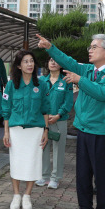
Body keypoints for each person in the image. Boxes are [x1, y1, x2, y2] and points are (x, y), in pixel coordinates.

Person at [37, 33, 105, 209]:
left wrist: (80, 81)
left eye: (94, 46)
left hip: (103, 133)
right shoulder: (87, 69)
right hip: (83, 131)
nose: (90, 49)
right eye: (90, 46)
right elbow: (67, 61)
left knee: (102, 179)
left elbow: (103, 93)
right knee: (83, 177)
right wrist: (51, 47)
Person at [2, 50, 50, 209]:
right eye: (25, 62)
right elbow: (6, 109)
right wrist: (6, 132)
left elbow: (45, 109)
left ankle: (27, 195)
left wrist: (46, 130)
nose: (30, 64)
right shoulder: (11, 85)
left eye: (31, 61)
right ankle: (16, 195)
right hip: (16, 130)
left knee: (33, 162)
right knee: (16, 162)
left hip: (35, 130)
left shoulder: (41, 84)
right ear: (18, 65)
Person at [36, 56, 74, 189]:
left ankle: (55, 178)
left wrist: (58, 115)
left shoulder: (66, 81)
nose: (53, 62)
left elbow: (68, 101)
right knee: (43, 147)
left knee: (59, 149)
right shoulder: (41, 80)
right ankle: (44, 175)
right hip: (43, 120)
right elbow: (37, 99)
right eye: (51, 60)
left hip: (59, 120)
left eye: (56, 60)